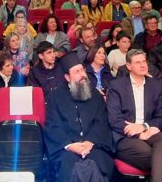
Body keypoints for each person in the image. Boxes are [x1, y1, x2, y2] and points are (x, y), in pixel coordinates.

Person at [44, 52, 115, 182]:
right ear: (67, 77)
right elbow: (53, 126)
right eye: (77, 72)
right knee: (72, 168)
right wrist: (69, 145)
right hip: (67, 149)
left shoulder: (96, 95)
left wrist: (90, 142)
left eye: (82, 70)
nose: (82, 75)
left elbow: (102, 122)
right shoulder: (55, 97)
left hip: (94, 146)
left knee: (95, 165)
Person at [106, 49, 162, 182]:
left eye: (144, 61)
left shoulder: (155, 85)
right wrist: (139, 134)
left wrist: (143, 127)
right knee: (159, 157)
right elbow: (114, 120)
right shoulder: (116, 86)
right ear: (129, 66)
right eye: (138, 62)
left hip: (148, 130)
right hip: (125, 136)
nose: (143, 65)